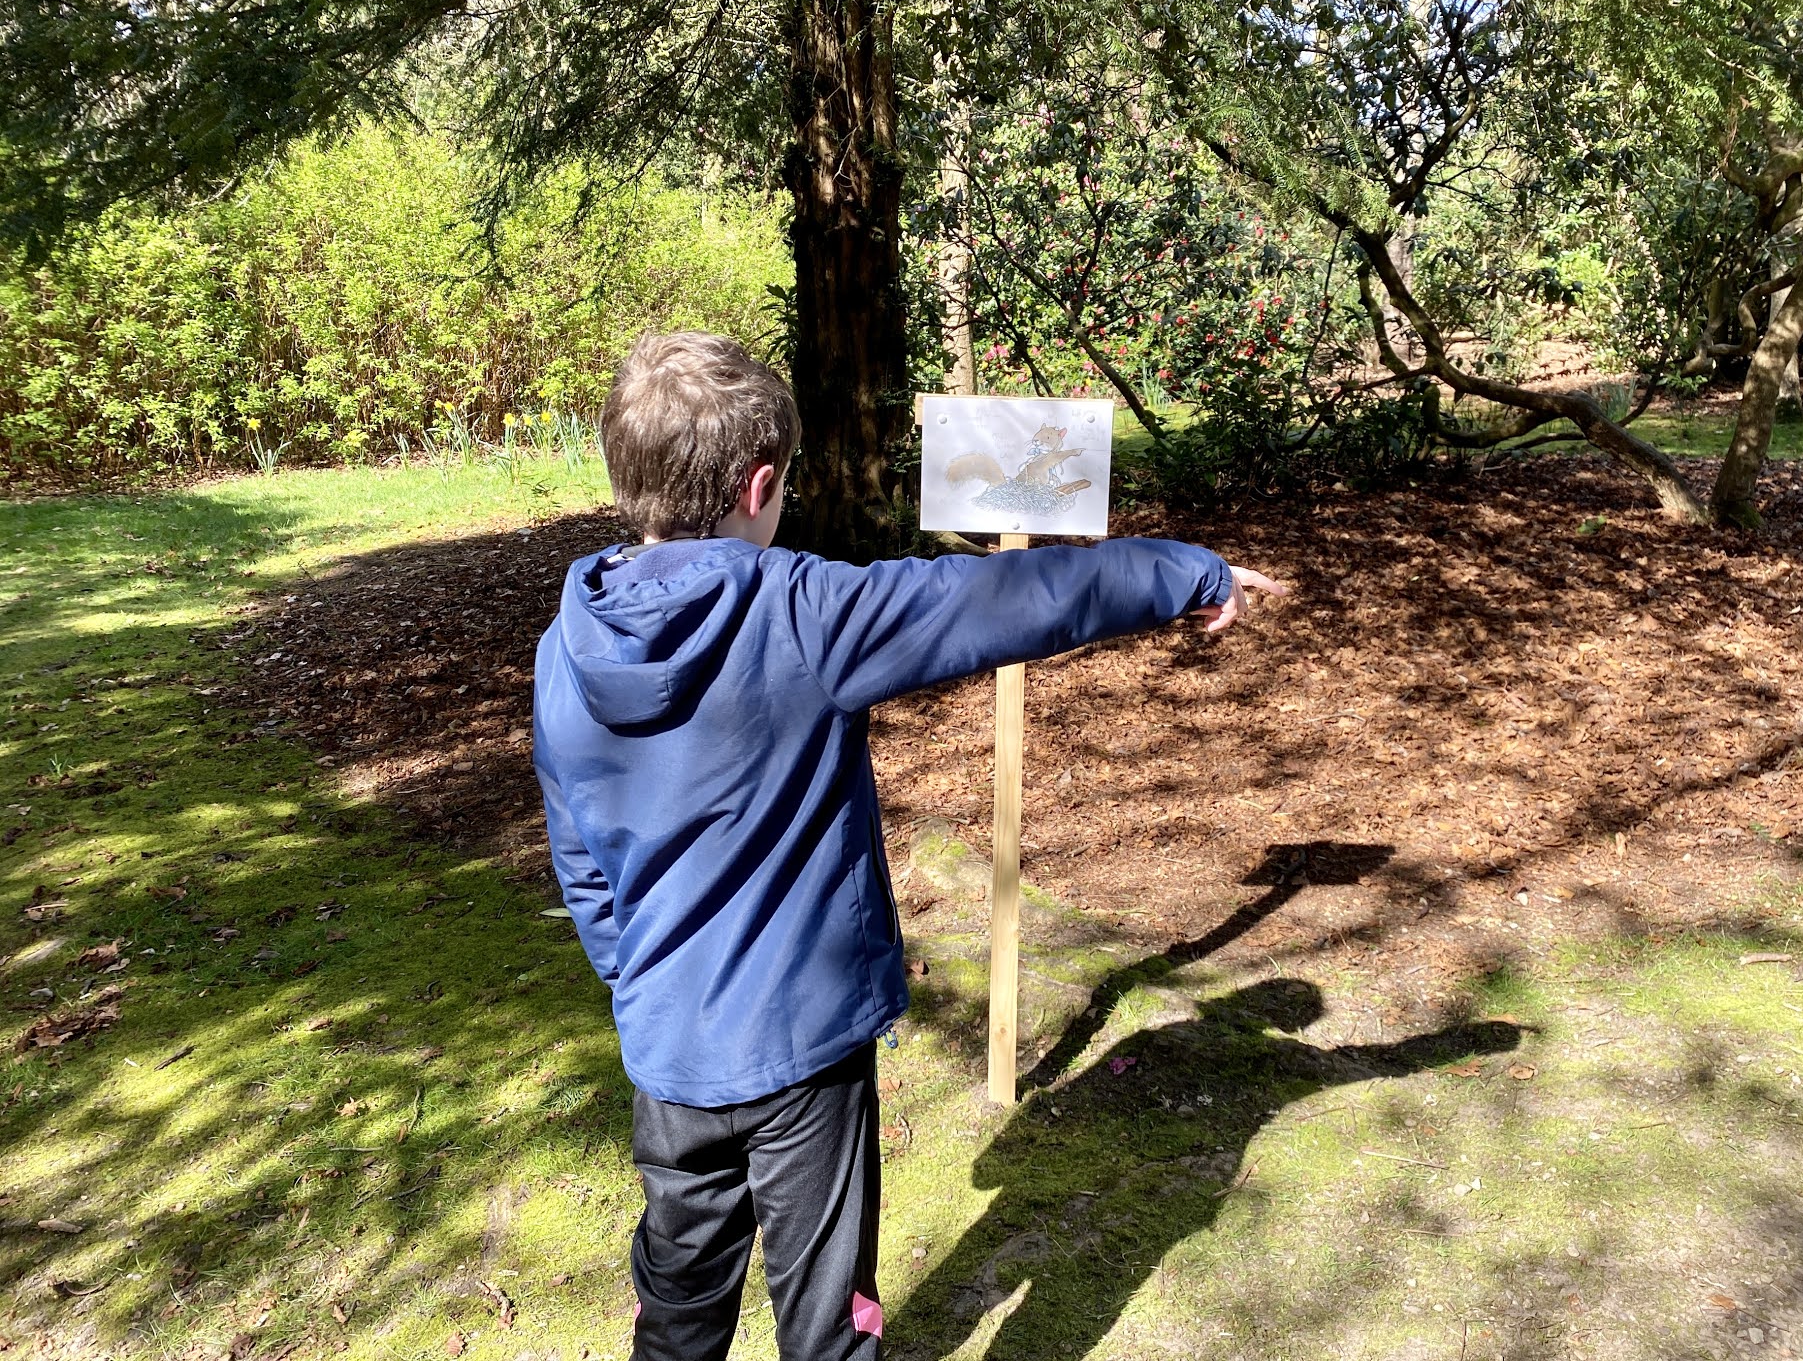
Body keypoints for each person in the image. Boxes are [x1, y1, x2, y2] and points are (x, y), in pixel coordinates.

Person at [531, 329, 1285, 1361]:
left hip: (666, 1048)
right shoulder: (799, 610)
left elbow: (580, 860)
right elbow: (1010, 602)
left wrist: (645, 981)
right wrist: (1187, 572)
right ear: (760, 486)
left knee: (675, 1311)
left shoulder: (566, 644)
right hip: (799, 1056)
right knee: (829, 1321)